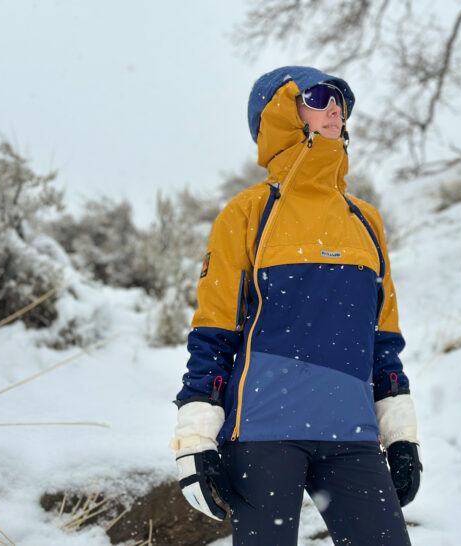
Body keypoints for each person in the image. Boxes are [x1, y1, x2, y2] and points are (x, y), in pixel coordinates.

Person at [170, 66, 422, 545]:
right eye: (318, 96)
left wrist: (402, 435)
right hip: (262, 436)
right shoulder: (246, 213)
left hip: (353, 435)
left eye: (341, 100)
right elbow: (213, 333)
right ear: (280, 112)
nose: (335, 108)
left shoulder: (365, 221)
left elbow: (383, 343)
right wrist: (195, 441)